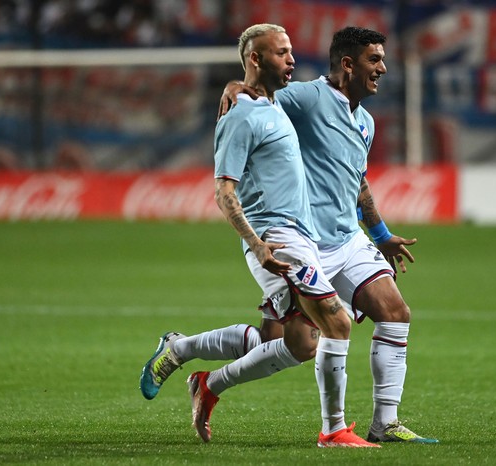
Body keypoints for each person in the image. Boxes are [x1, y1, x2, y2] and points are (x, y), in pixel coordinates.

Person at [142, 26, 438, 444]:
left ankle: (384, 424)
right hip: (300, 238)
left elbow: (358, 182)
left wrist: (381, 233)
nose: (383, 69)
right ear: (348, 64)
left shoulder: (366, 123)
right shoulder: (307, 98)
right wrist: (234, 84)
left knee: (394, 313)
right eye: (375, 60)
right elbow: (258, 96)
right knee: (289, 342)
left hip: (347, 238)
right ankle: (203, 370)